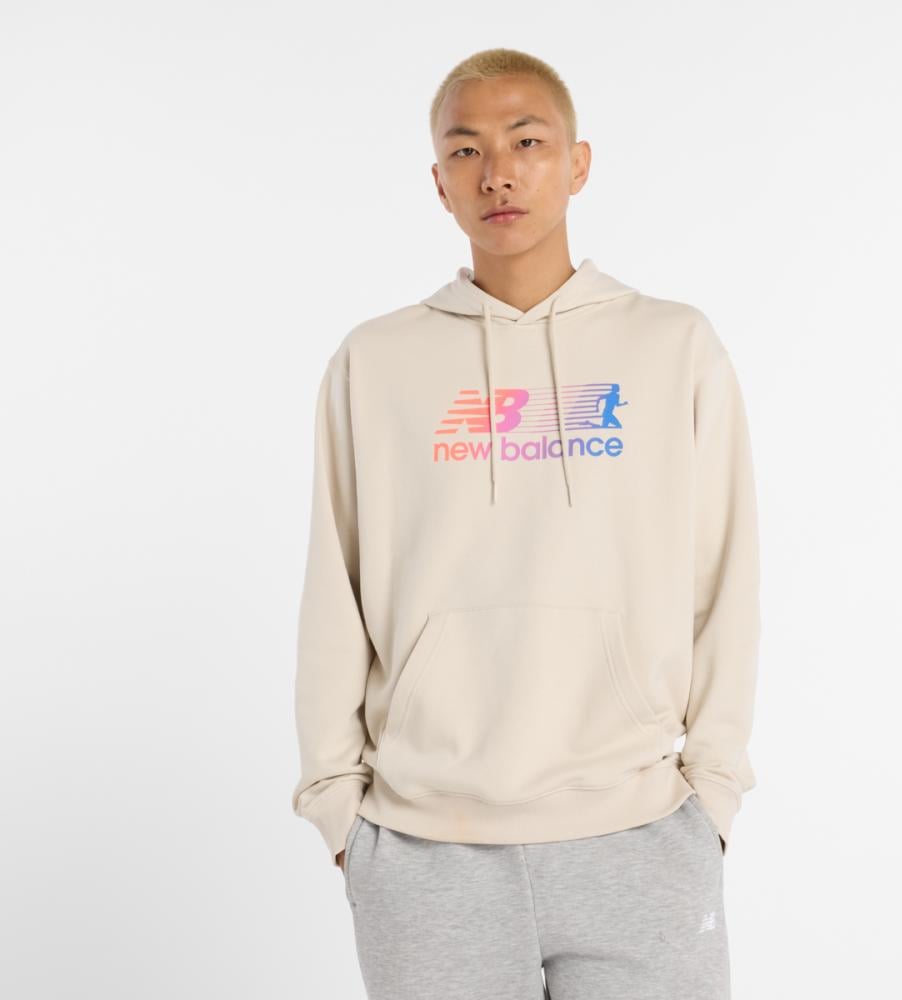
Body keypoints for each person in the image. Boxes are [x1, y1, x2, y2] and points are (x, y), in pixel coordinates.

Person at [291, 46, 761, 1000]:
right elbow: (333, 584)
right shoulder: (375, 363)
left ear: (577, 163)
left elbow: (726, 577)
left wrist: (711, 791)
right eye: (465, 150)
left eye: (527, 141)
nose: (498, 172)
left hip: (639, 834)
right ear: (439, 183)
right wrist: (338, 805)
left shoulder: (673, 346)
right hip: (425, 848)